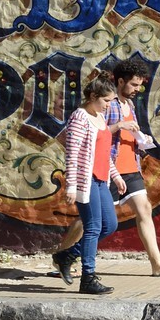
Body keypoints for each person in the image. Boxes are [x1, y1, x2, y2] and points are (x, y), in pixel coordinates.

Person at [49, 58, 160, 281]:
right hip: (107, 167)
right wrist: (119, 126)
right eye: (133, 85)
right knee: (90, 221)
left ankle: (157, 264)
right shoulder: (106, 104)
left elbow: (121, 134)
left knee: (144, 209)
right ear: (120, 81)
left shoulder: (128, 105)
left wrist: (140, 142)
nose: (136, 90)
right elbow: (96, 135)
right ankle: (63, 257)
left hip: (129, 167)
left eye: (139, 85)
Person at [56, 75, 117, 296]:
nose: (109, 105)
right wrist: (71, 186)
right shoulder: (79, 118)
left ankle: (67, 255)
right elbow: (72, 155)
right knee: (92, 228)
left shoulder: (100, 117)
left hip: (101, 180)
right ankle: (88, 278)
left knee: (109, 225)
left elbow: (103, 153)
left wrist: (116, 176)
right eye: (106, 100)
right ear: (93, 97)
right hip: (86, 180)